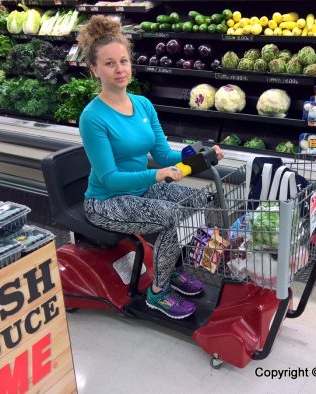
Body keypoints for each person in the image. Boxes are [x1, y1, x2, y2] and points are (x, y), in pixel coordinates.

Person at [77, 15, 224, 320]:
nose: (120, 69)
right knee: (172, 217)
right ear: (94, 70)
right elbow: (111, 179)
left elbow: (163, 153)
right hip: (106, 201)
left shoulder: (142, 104)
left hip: (141, 190)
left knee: (197, 201)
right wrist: (156, 174)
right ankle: (158, 294)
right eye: (109, 64)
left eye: (123, 61)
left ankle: (168, 269)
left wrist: (200, 153)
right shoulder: (93, 117)